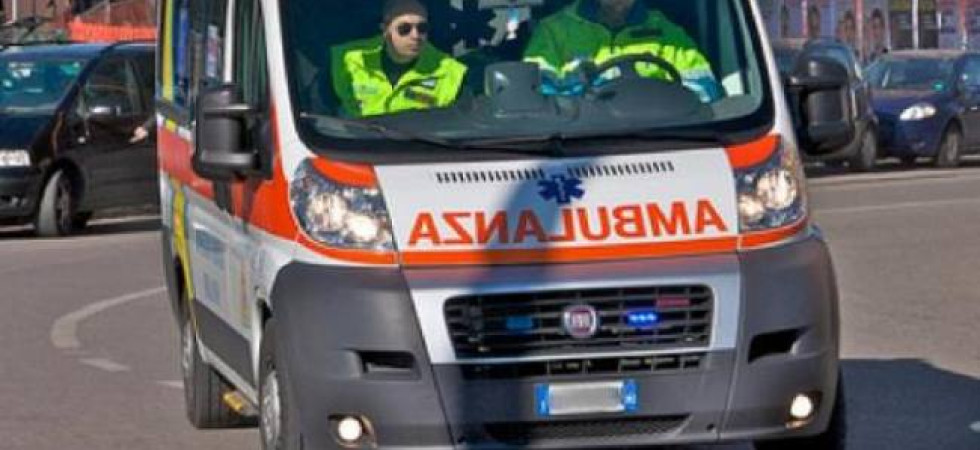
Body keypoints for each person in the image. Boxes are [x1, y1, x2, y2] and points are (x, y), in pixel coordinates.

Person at [523, 0, 721, 102]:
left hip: (658, 137)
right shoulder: (552, 31)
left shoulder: (668, 33)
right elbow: (537, 93)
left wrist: (649, 100)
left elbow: (706, 91)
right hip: (581, 141)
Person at [330, 0, 467, 117]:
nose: (415, 36)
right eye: (404, 29)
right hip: (354, 138)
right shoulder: (347, 59)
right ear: (385, 30)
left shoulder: (451, 72)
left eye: (422, 28)